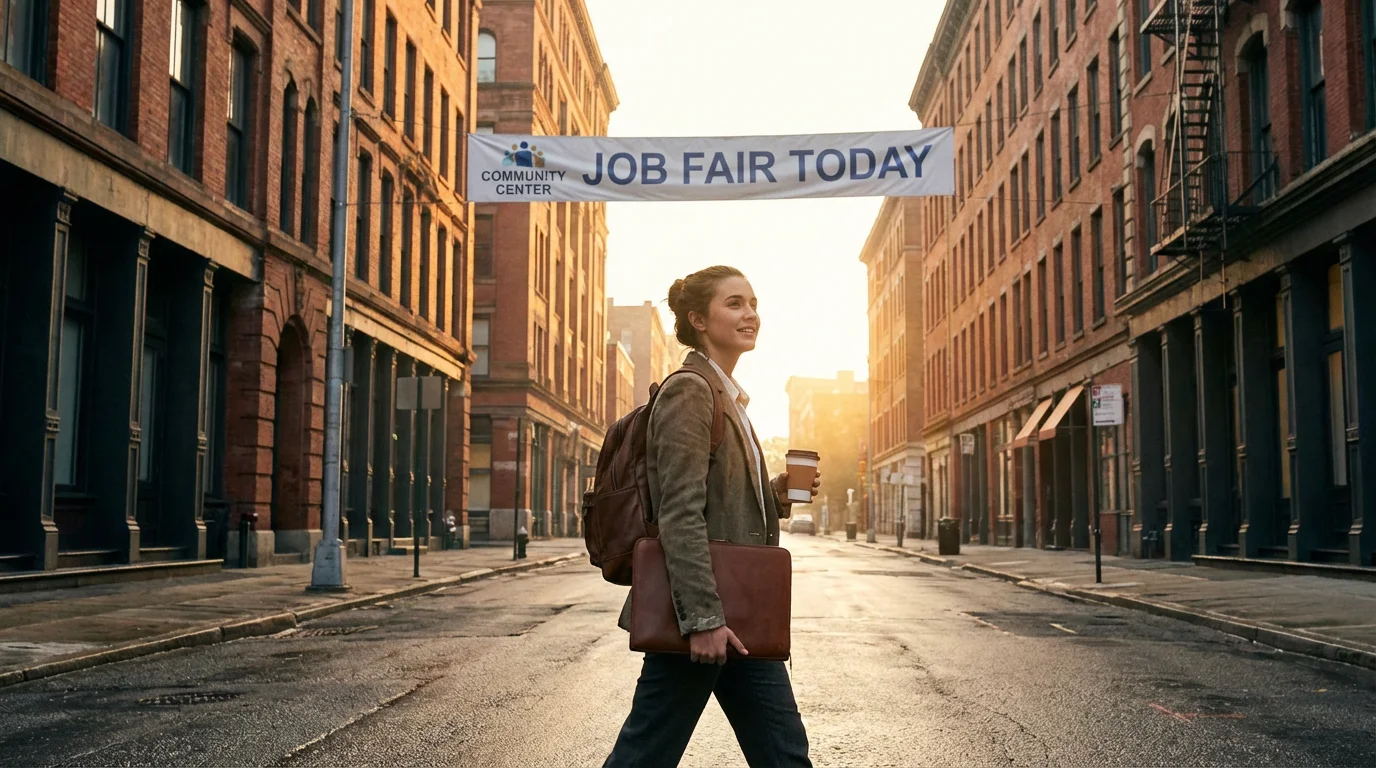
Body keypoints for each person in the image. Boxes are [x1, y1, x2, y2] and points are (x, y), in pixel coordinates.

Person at [603, 265, 819, 768]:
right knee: (645, 754)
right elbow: (680, 511)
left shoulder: (728, 397)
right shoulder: (691, 390)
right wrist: (702, 620)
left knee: (785, 754)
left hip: (739, 613)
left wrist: (777, 495)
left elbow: (720, 502)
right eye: (735, 304)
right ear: (699, 319)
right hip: (703, 620)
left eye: (753, 303)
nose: (751, 315)